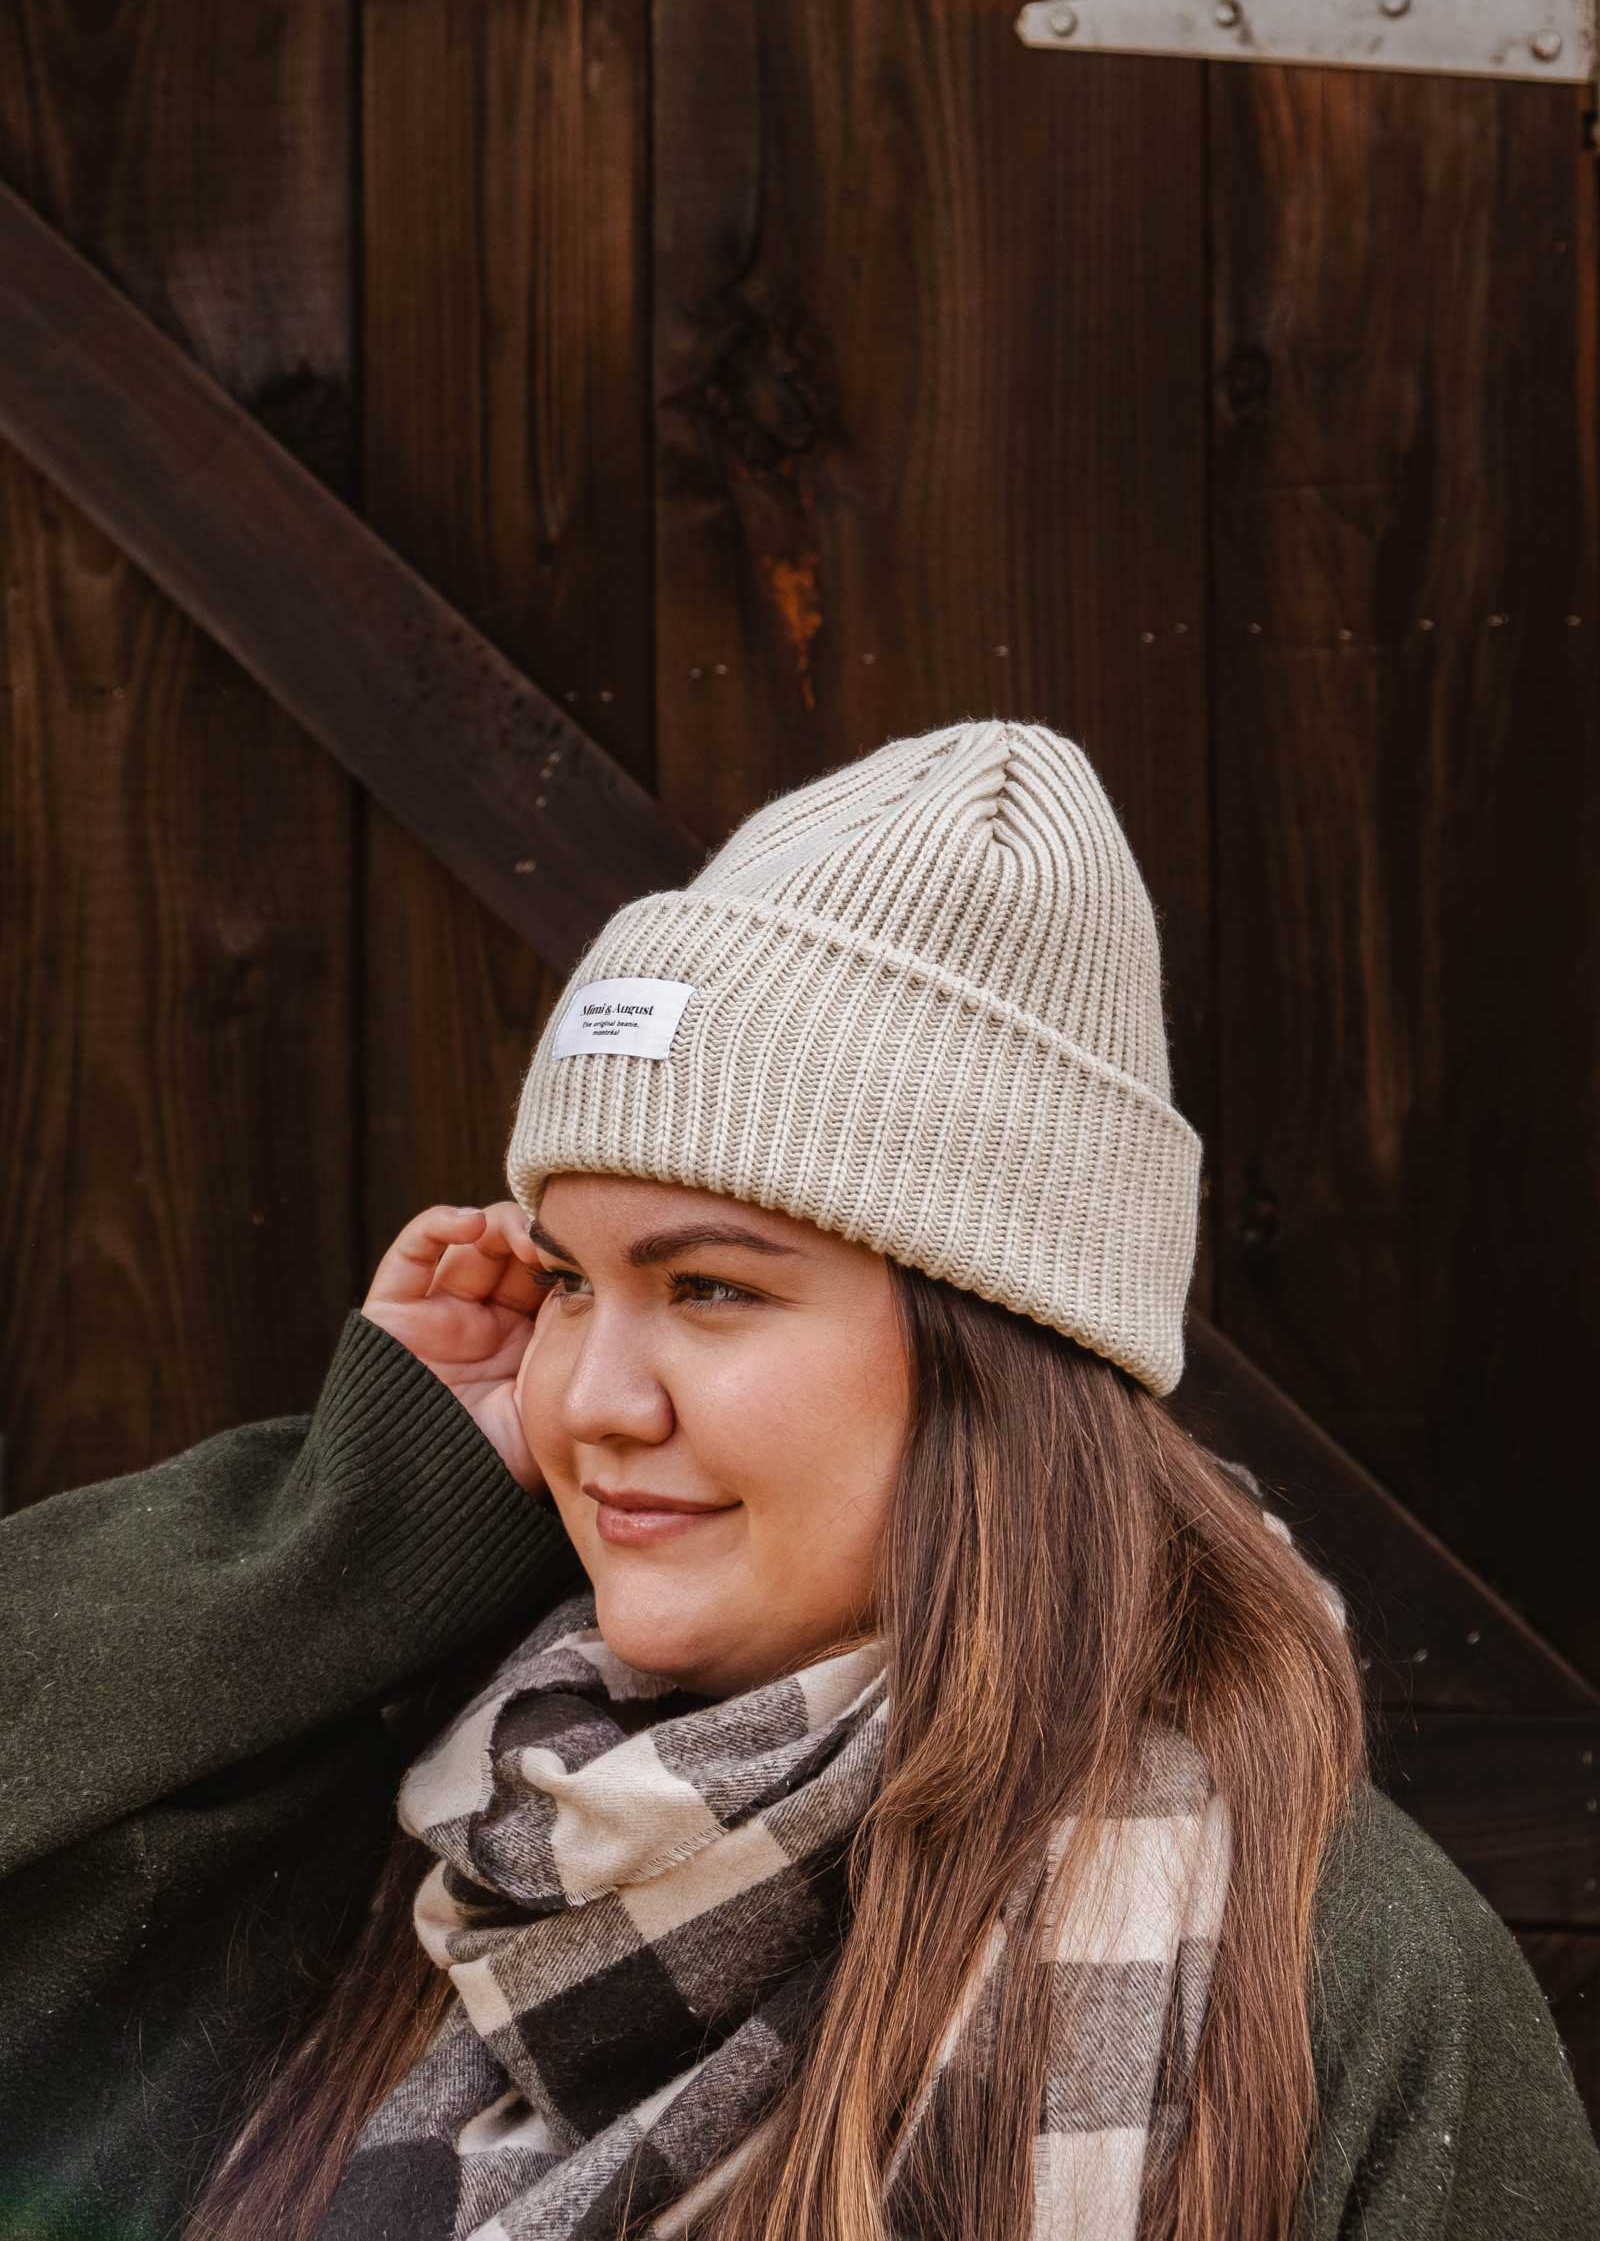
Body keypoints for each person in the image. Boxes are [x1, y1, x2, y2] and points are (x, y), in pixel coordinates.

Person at [3, 720, 1598, 2241]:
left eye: (707, 1288)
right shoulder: (426, 1830)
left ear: (1004, 1352)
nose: (592, 1401)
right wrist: (357, 1518)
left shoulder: (1327, 1972)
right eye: (566, 1280)